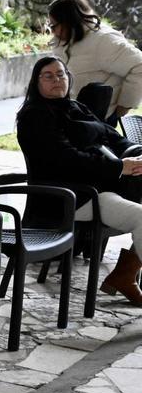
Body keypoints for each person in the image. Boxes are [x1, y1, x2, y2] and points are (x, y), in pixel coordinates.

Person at [17, 56, 142, 305]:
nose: (57, 80)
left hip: (99, 189)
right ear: (36, 82)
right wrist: (119, 167)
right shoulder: (35, 117)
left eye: (61, 74)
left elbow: (111, 136)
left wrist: (136, 154)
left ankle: (125, 275)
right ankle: (125, 276)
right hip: (69, 197)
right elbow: (67, 159)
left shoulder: (75, 107)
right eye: (48, 76)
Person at [49, 0, 142, 122]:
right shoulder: (64, 41)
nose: (52, 31)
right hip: (71, 115)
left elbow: (139, 64)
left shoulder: (103, 41)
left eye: (54, 26)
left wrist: (125, 105)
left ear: (68, 21)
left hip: (97, 119)